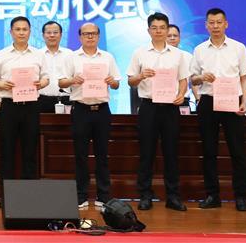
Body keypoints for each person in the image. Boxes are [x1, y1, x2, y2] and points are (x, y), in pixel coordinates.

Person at [126, 12, 190, 211]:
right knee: (146, 153)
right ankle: (145, 195)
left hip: (170, 108)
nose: (159, 31)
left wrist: (181, 95)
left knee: (171, 152)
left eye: (162, 27)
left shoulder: (178, 54)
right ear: (148, 30)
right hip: (148, 107)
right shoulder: (139, 53)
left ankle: (173, 196)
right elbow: (130, 81)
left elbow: (183, 80)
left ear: (167, 29)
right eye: (154, 28)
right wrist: (140, 76)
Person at [190, 8, 246, 211]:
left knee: (237, 151)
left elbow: (245, 77)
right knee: (209, 151)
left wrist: (244, 101)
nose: (215, 26)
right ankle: (212, 195)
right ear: (206, 25)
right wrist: (201, 77)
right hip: (208, 101)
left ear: (226, 24)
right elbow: (193, 79)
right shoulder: (199, 49)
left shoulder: (238, 48)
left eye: (219, 22)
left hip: (232, 100)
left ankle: (240, 196)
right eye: (211, 23)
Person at [59, 22, 120, 209]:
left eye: (93, 33)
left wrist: (112, 81)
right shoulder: (72, 57)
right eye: (86, 34)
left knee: (102, 155)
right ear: (80, 37)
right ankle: (81, 195)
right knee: (80, 155)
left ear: (98, 36)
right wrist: (73, 80)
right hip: (81, 110)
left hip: (102, 110)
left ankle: (103, 196)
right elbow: (61, 82)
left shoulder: (108, 57)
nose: (90, 37)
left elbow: (117, 84)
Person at [0, 16, 50, 183]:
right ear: (11, 32)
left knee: (30, 149)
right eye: (18, 29)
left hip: (31, 106)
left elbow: (46, 78)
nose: (21, 32)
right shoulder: (1, 55)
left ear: (30, 32)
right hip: (9, 106)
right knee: (7, 149)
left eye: (25, 29)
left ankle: (28, 190)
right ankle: (7, 191)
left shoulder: (38, 54)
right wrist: (3, 84)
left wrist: (41, 84)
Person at [38, 20, 72, 113]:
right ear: (43, 35)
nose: (52, 35)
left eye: (55, 32)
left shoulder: (70, 54)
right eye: (48, 33)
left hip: (66, 100)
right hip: (42, 100)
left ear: (61, 35)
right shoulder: (37, 54)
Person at [167, 24, 199, 108]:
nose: (172, 38)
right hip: (161, 100)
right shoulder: (157, 56)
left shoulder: (188, 56)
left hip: (183, 101)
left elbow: (193, 82)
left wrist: (198, 100)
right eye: (169, 36)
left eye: (175, 36)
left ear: (179, 38)